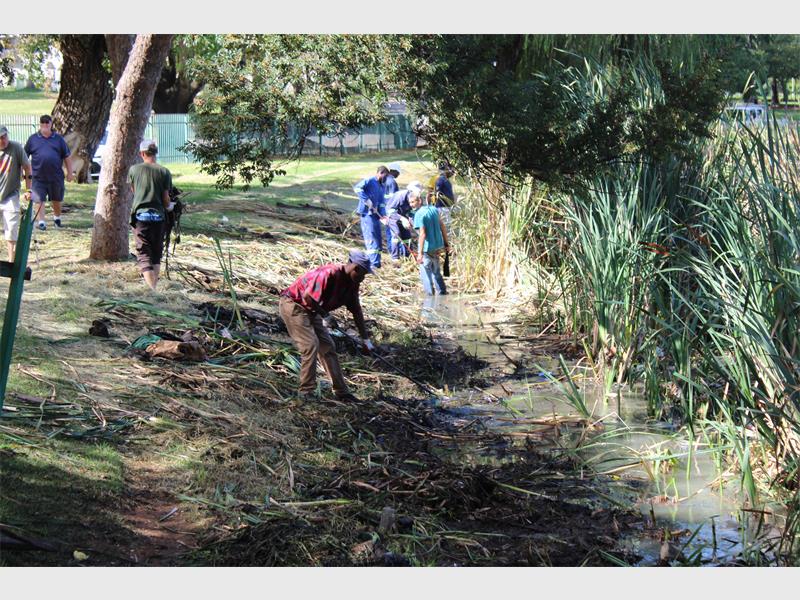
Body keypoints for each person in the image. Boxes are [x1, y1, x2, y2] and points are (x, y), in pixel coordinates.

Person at [279, 250, 376, 402]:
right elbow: (308, 297)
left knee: (328, 347)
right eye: (363, 274)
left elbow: (356, 311)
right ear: (355, 268)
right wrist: (326, 316)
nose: (363, 279)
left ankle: (341, 392)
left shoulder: (352, 284)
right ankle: (306, 392)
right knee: (310, 345)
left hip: (312, 310)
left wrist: (366, 341)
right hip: (294, 305)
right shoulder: (328, 274)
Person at [128, 140, 174, 290]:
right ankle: (153, 287)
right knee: (156, 252)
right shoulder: (164, 171)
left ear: (142, 153)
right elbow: (166, 198)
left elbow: (134, 191)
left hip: (141, 217)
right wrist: (169, 207)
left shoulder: (134, 170)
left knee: (143, 253)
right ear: (156, 153)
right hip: (159, 217)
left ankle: (152, 289)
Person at [24, 115, 73, 231]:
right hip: (38, 176)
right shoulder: (33, 139)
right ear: (40, 124)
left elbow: (67, 156)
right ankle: (41, 222)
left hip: (56, 176)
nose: (45, 125)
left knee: (56, 199)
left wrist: (70, 173)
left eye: (47, 123)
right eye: (43, 123)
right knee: (38, 199)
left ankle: (57, 219)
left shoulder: (58, 139)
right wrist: (24, 172)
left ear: (51, 124)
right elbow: (24, 157)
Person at [0, 126, 32, 262]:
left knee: (11, 229)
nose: (3, 140)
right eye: (0, 138)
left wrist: (28, 190)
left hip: (10, 195)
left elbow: (27, 168)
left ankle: (11, 262)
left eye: (4, 136)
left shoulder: (16, 148)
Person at [410, 191, 449, 296]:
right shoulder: (433, 209)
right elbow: (442, 226)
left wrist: (420, 253)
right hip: (437, 246)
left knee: (426, 273)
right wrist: (446, 244)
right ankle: (442, 293)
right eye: (410, 203)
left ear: (420, 201)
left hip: (427, 249)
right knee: (436, 271)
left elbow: (422, 234)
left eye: (413, 202)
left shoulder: (418, 214)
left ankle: (429, 297)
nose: (411, 205)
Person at [353, 166, 389, 269]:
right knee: (371, 237)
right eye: (385, 176)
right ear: (380, 173)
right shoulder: (369, 181)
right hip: (367, 214)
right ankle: (372, 263)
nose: (386, 179)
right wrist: (366, 200)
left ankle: (376, 262)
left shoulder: (382, 187)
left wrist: (383, 216)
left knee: (377, 238)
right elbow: (357, 188)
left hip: (375, 216)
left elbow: (382, 203)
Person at [385, 181, 421, 260]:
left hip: (403, 217)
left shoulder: (415, 199)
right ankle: (395, 258)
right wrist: (402, 219)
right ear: (410, 191)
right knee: (396, 235)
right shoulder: (400, 196)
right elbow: (390, 210)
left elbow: (412, 214)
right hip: (393, 217)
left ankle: (408, 257)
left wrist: (416, 227)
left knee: (407, 237)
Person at [383, 162, 401, 252]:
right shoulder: (392, 182)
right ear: (395, 171)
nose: (399, 174)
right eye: (398, 172)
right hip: (391, 211)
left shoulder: (385, 180)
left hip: (385, 209)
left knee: (388, 230)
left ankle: (391, 249)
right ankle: (393, 251)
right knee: (393, 231)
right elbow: (394, 198)